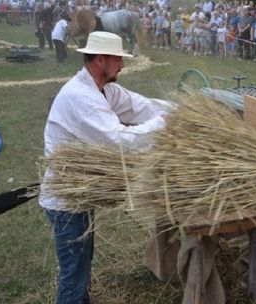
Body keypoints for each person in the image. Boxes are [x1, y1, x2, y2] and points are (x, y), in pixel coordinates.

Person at [39, 32, 170, 304]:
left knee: (81, 264)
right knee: (73, 275)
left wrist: (182, 111)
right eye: (118, 60)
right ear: (100, 60)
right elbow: (121, 142)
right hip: (64, 201)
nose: (122, 66)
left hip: (76, 198)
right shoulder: (81, 98)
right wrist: (164, 124)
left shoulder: (103, 89)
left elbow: (140, 106)